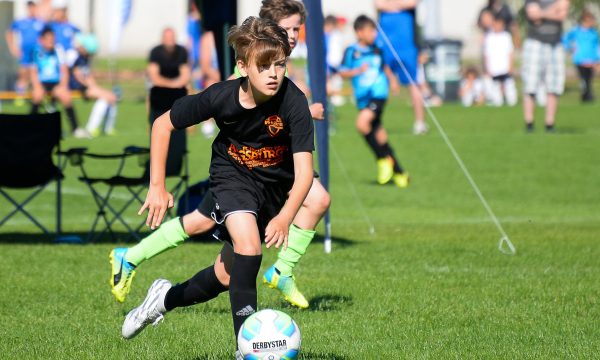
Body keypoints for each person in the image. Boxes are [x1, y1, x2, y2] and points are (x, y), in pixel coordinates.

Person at [110, 0, 330, 311]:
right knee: (243, 245)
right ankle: (254, 330)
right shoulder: (228, 91)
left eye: (297, 30)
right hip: (234, 172)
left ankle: (160, 297)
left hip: (271, 177)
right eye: (290, 28)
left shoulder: (289, 91)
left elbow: (278, 120)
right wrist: (157, 185)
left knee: (226, 273)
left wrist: (283, 216)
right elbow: (171, 122)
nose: (294, 35)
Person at [338, 15, 410, 188]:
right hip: (362, 98)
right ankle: (400, 172)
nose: (374, 34)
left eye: (374, 30)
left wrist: (392, 80)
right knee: (379, 135)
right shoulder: (351, 51)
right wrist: (356, 71)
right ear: (359, 32)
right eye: (370, 30)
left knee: (362, 124)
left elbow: (383, 66)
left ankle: (383, 160)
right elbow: (342, 72)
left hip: (378, 94)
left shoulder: (378, 49)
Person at [375, 0, 428, 135]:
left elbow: (412, 3)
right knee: (380, 82)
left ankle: (420, 122)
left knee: (414, 83)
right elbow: (378, 4)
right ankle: (375, 121)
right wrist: (399, 5)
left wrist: (391, 5)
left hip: (407, 45)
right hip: (386, 42)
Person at [30, 26, 87, 138]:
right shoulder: (36, 50)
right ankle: (30, 126)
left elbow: (64, 70)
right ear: (42, 40)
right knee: (37, 95)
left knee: (65, 96)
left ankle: (75, 128)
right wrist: (37, 86)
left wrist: (63, 86)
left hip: (56, 83)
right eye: (49, 39)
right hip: (42, 83)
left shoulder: (58, 50)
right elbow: (33, 72)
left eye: (53, 39)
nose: (51, 41)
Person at [521, 0, 569, 133]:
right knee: (531, 84)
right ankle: (529, 123)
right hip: (535, 42)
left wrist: (542, 13)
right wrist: (554, 9)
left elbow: (562, 14)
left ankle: (550, 123)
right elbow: (533, 15)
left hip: (555, 43)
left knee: (554, 85)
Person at [69, 33, 119, 136]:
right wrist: (92, 87)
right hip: (76, 87)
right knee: (105, 97)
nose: (90, 55)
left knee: (112, 96)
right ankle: (92, 128)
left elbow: (88, 75)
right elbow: (78, 76)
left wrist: (95, 87)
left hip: (85, 86)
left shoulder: (85, 57)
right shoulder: (75, 56)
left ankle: (108, 129)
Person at [4, 1, 45, 104]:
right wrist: (12, 47)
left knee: (38, 73)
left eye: (33, 7)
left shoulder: (41, 22)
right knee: (23, 74)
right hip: (25, 53)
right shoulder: (21, 22)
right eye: (30, 7)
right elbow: (9, 32)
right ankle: (20, 96)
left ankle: (36, 94)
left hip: (38, 53)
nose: (32, 9)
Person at [563, 10, 600, 103]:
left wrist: (598, 59)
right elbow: (565, 39)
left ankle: (588, 96)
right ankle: (586, 96)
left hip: (591, 59)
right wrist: (571, 48)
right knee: (583, 79)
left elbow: (597, 46)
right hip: (580, 59)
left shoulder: (593, 33)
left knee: (589, 79)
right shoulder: (576, 31)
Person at [484, 15, 517, 106]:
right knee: (495, 86)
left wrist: (511, 66)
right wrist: (487, 68)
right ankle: (497, 102)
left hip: (505, 66)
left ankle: (512, 102)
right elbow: (487, 54)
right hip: (494, 67)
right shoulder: (489, 37)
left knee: (509, 85)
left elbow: (510, 52)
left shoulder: (506, 36)